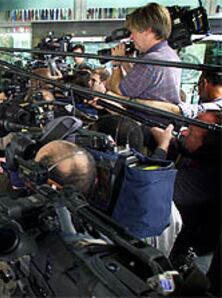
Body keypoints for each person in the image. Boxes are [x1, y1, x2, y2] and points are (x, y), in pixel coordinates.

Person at [150, 111, 221, 272]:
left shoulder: (205, 179)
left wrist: (162, 147)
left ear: (206, 145)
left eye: (191, 131)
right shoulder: (207, 156)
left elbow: (152, 188)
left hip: (189, 259)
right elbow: (184, 146)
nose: (184, 132)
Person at [106, 3, 181, 105]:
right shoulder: (169, 54)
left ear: (147, 31)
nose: (131, 37)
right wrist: (125, 61)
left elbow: (118, 91)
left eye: (134, 32)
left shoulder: (150, 60)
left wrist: (116, 64)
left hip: (144, 119)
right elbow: (139, 82)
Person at [131, 71, 222, 118]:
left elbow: (176, 110)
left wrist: (131, 101)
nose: (198, 93)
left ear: (204, 84)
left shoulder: (215, 108)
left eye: (197, 86)